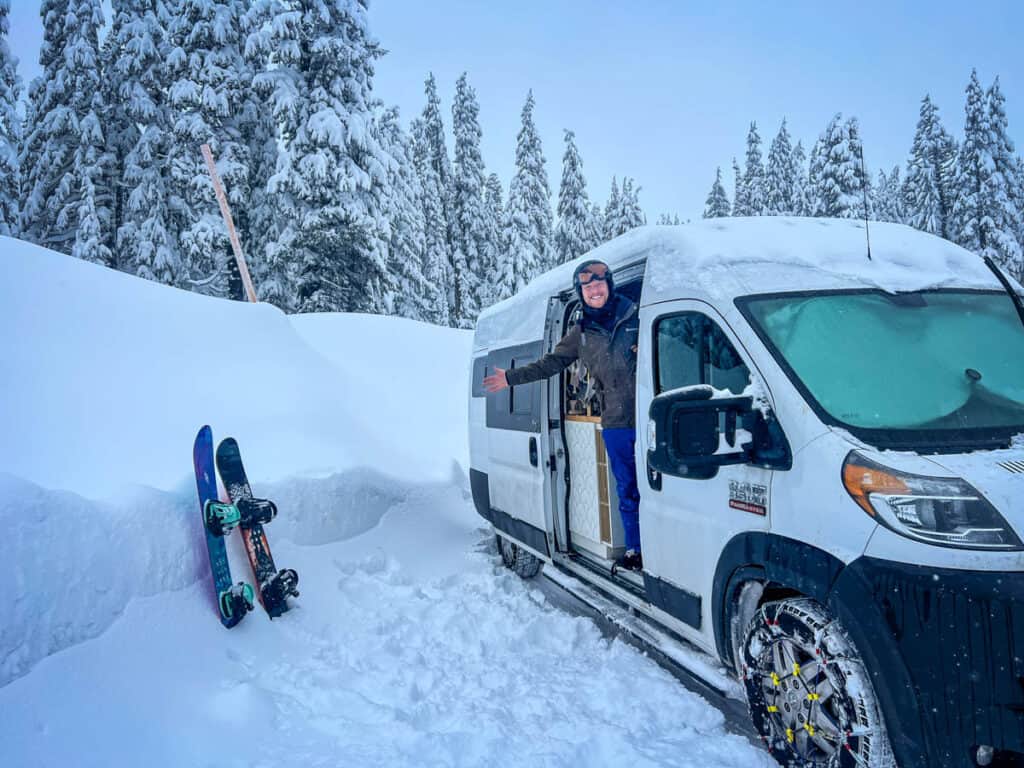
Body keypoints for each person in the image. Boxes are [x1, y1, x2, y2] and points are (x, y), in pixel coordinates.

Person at [483, 260, 643, 571]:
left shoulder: (636, 315)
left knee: (662, 490)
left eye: (598, 284)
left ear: (608, 285)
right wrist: (510, 378)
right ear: (581, 293)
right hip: (616, 425)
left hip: (652, 419)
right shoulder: (580, 334)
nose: (594, 291)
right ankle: (637, 549)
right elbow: (549, 364)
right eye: (587, 287)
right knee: (628, 489)